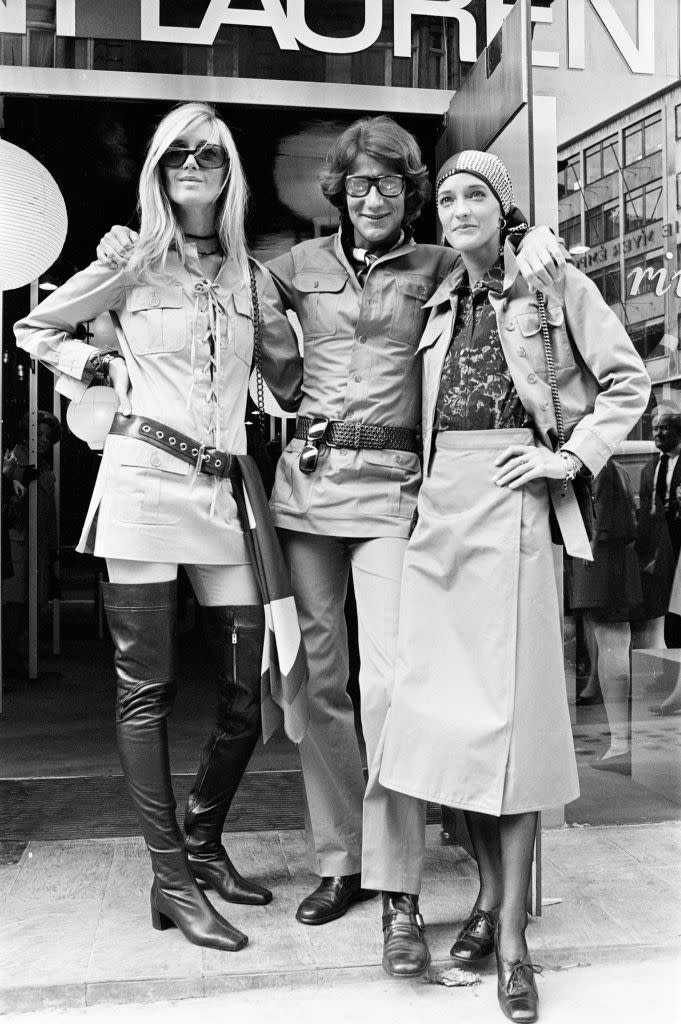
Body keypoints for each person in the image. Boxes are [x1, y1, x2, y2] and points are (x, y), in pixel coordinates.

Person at [96, 115, 566, 976]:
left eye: (390, 184)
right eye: (358, 185)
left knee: (388, 685)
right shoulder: (287, 268)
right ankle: (339, 860)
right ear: (339, 193)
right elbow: (208, 275)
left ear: (410, 194)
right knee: (314, 683)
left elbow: (500, 266)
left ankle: (398, 885)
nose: (373, 197)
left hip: (394, 497)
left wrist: (534, 236)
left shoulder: (435, 267)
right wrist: (127, 244)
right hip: (305, 495)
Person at [15, 102, 305, 952]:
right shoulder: (132, 260)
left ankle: (204, 840)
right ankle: (170, 878)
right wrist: (101, 363)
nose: (190, 163)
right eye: (175, 152)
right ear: (157, 169)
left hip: (224, 495)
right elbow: (36, 327)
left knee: (247, 694)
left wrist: (282, 344)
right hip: (144, 484)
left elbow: (282, 395)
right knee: (146, 692)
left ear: (227, 171)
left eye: (206, 153)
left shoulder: (255, 273)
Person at [378, 151, 649, 1019]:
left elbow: (625, 382)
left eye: (475, 196)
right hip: (437, 517)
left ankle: (511, 945)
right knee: (446, 729)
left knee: (516, 732)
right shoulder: (439, 295)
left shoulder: (552, 279)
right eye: (447, 196)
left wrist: (567, 456)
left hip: (512, 503)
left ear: (506, 209)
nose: (457, 208)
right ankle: (492, 902)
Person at [569, 458, 643, 774]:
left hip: (602, 564)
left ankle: (621, 742)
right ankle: (620, 740)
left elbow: (603, 522)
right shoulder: (613, 470)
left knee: (611, 645)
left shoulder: (602, 469)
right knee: (612, 645)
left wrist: (589, 550)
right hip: (607, 562)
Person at [2, 411, 61, 681]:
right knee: (14, 601)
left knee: (32, 601)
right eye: (39, 434)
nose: (44, 440)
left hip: (38, 543)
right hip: (18, 539)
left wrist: (52, 550)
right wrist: (22, 477)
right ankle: (10, 657)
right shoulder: (16, 457)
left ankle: (18, 655)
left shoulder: (47, 469)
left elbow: (50, 514)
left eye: (48, 436)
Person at [637, 409, 681, 648]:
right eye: (654, 428)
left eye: (664, 427)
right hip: (659, 548)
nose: (658, 433)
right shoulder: (650, 467)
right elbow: (646, 512)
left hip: (678, 543)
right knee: (664, 611)